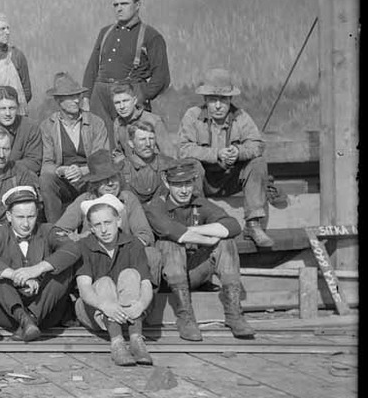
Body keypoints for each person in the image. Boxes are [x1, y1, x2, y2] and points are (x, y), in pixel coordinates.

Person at [145, 159, 255, 341]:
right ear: (167, 184)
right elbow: (168, 230)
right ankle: (185, 317)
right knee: (170, 243)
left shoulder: (199, 203)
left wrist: (197, 231)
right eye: (178, 185)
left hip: (194, 272)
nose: (184, 190)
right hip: (168, 276)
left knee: (225, 242)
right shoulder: (157, 206)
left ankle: (234, 313)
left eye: (188, 183)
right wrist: (206, 238)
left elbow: (232, 225)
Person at [177, 68, 274, 249]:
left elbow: (258, 145)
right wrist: (216, 154)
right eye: (213, 100)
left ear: (230, 100)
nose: (218, 106)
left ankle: (253, 224)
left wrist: (238, 152)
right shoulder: (192, 116)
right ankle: (196, 223)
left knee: (258, 162)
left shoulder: (241, 117)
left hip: (231, 179)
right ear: (205, 100)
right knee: (192, 164)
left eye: (223, 100)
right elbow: (183, 149)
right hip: (203, 180)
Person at [0, 186, 79, 342]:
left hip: (44, 313)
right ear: (8, 216)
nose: (26, 224)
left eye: (31, 216)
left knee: (63, 268)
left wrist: (37, 269)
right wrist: (14, 274)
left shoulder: (47, 230)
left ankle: (31, 319)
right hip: (7, 315)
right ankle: (24, 320)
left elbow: (72, 248)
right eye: (20, 217)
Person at [52, 149, 159, 283]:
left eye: (113, 177)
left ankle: (144, 299)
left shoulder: (128, 199)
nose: (110, 183)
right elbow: (57, 232)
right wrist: (79, 238)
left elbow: (145, 235)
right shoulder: (84, 200)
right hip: (93, 258)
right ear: (94, 183)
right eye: (104, 180)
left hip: (125, 256)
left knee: (152, 255)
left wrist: (123, 247)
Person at [72, 194, 155, 367]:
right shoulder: (84, 246)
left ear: (118, 221)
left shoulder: (133, 244)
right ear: (92, 229)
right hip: (95, 311)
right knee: (104, 282)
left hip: (129, 312)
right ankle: (117, 342)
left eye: (108, 223)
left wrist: (141, 305)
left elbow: (146, 284)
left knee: (131, 274)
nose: (104, 230)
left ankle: (136, 338)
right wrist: (105, 306)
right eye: (97, 225)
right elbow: (85, 290)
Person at [82, 0, 170, 143]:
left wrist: (141, 96)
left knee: (133, 144)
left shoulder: (151, 36)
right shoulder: (105, 32)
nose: (119, 8)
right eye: (116, 5)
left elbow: (162, 77)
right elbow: (92, 67)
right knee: (101, 144)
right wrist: (86, 97)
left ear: (137, 6)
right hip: (100, 95)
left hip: (130, 94)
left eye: (124, 4)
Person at [38, 72, 110, 223]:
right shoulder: (47, 126)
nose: (77, 100)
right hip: (64, 181)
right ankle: (55, 229)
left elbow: (102, 160)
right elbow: (46, 164)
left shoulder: (96, 123)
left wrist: (82, 170)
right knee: (45, 180)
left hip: (90, 178)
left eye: (79, 96)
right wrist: (62, 170)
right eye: (71, 97)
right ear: (58, 100)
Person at [110, 80, 176, 164]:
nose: (122, 106)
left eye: (126, 101)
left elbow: (169, 155)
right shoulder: (118, 123)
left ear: (134, 101)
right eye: (117, 103)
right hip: (132, 172)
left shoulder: (153, 120)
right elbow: (119, 152)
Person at [121, 121, 173, 204]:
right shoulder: (122, 168)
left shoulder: (168, 164)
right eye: (142, 139)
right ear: (131, 143)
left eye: (151, 139)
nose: (148, 144)